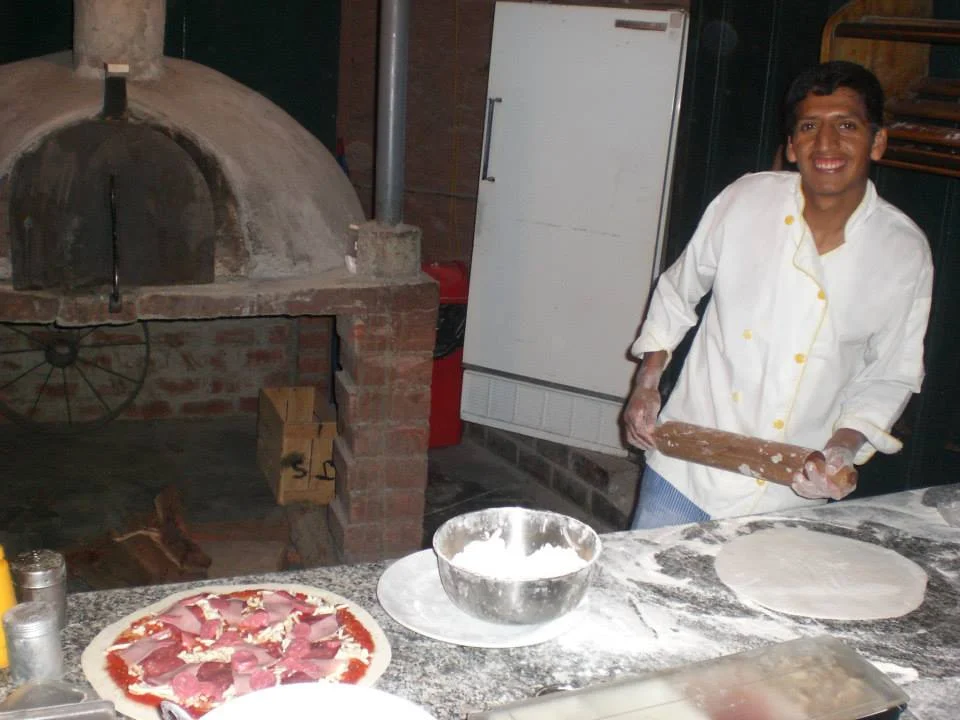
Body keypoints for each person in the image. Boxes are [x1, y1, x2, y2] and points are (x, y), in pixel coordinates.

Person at [622, 60, 933, 529]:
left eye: (846, 125)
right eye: (809, 126)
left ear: (877, 142)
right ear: (790, 146)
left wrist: (842, 447)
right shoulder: (745, 202)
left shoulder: (903, 250)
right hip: (687, 472)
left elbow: (890, 372)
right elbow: (676, 291)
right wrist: (646, 385)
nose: (825, 143)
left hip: (793, 488)